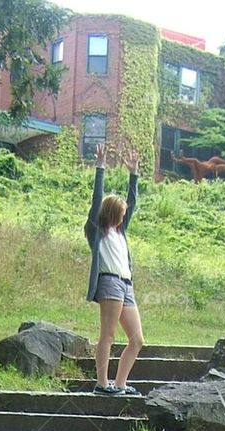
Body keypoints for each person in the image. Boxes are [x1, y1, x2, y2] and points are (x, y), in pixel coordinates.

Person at [84, 143, 145, 395]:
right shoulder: (96, 230)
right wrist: (100, 167)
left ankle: (120, 384)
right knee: (108, 334)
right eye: (119, 214)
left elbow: (132, 201)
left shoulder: (121, 231)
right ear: (110, 213)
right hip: (108, 282)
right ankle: (102, 384)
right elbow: (97, 198)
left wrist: (134, 174)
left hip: (126, 284)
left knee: (137, 339)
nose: (123, 217)